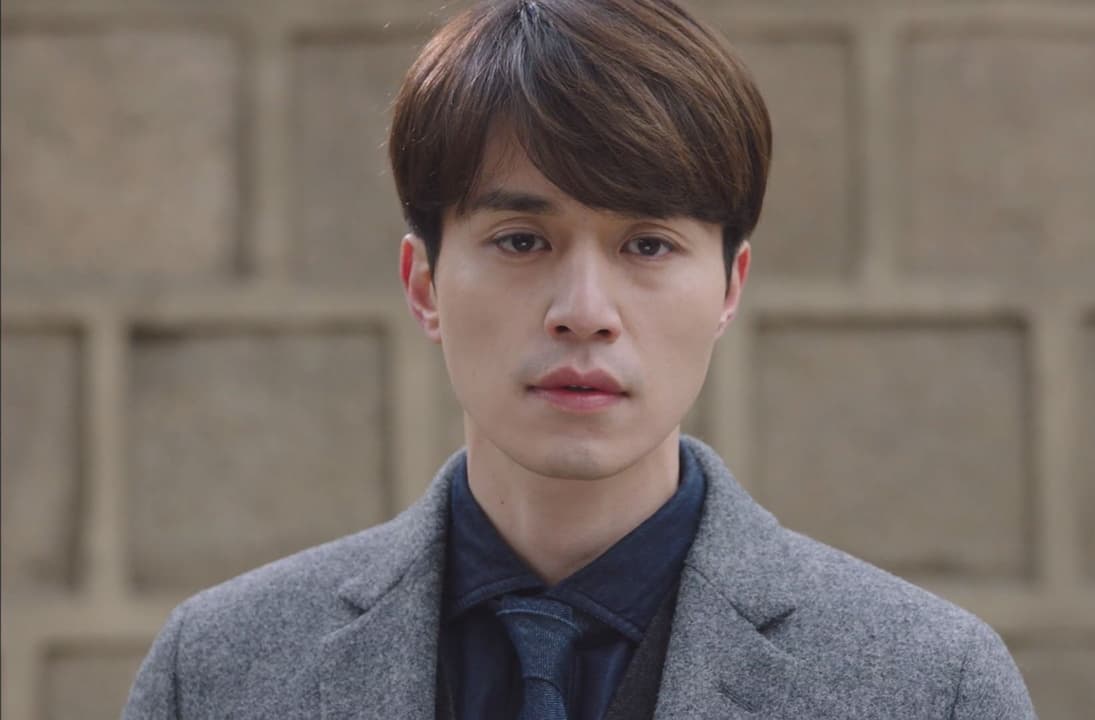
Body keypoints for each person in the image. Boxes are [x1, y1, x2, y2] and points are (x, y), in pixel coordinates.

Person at [123, 0, 1037, 717]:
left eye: (648, 245)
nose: (585, 314)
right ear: (425, 283)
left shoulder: (931, 686)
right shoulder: (215, 672)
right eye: (522, 241)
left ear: (730, 287)